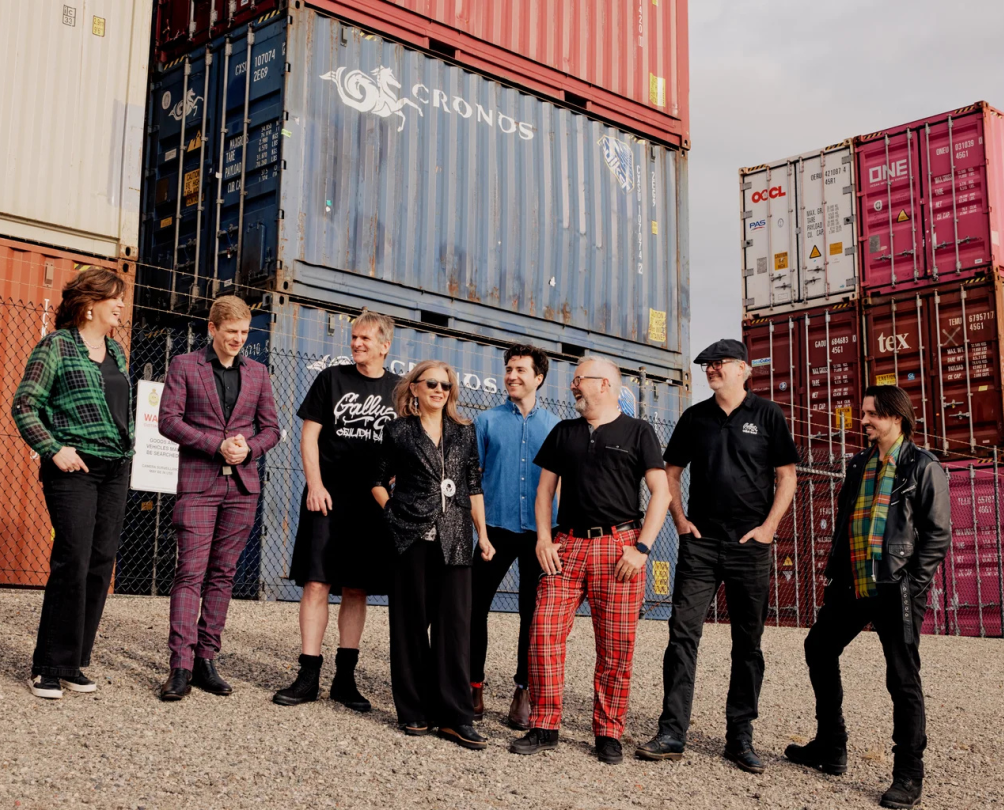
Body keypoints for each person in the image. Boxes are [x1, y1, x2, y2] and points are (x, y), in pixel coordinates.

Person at [785, 386, 949, 810]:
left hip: (898, 588)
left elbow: (936, 535)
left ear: (897, 417)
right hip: (854, 583)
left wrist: (914, 584)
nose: (864, 421)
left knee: (902, 678)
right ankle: (830, 745)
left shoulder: (922, 465)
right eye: (864, 414)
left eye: (872, 414)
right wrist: (832, 573)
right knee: (818, 647)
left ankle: (909, 774)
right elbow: (845, 523)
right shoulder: (858, 464)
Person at [638, 338, 798, 773]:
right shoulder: (695, 417)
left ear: (744, 370)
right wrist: (679, 519)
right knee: (682, 635)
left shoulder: (768, 415)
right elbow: (670, 473)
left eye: (719, 363)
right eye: (707, 364)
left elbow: (787, 477)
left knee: (748, 644)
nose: (710, 368)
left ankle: (739, 737)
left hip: (750, 547)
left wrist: (768, 529)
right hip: (702, 544)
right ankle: (672, 731)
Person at [510, 356, 670, 765]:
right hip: (567, 547)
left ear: (605, 384)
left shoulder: (639, 432)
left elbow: (661, 493)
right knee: (543, 634)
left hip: (620, 547)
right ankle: (544, 726)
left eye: (579, 380)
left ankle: (608, 732)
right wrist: (544, 539)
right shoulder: (564, 433)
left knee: (616, 648)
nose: (573, 387)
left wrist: (643, 549)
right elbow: (544, 491)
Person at [12, 267, 133, 700]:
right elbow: (25, 406)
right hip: (73, 468)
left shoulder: (116, 351)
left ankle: (75, 661)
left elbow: (119, 412)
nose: (121, 305)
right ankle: (48, 665)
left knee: (101, 563)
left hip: (115, 469)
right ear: (89, 304)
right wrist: (54, 448)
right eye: (114, 298)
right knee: (73, 560)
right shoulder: (57, 347)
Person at [273, 311, 400, 711]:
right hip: (327, 497)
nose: (356, 344)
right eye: (354, 338)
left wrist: (393, 487)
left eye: (365, 338)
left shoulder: (400, 391)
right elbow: (309, 437)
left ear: (385, 345)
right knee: (316, 583)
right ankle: (308, 675)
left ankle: (345, 679)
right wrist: (315, 485)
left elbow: (407, 445)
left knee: (357, 588)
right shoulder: (331, 380)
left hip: (373, 504)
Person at [157, 295, 280, 701]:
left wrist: (250, 449)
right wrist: (216, 444)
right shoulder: (184, 365)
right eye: (231, 332)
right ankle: (180, 665)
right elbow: (169, 421)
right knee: (190, 573)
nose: (238, 340)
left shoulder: (259, 373)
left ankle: (207, 659)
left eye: (244, 333)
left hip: (242, 488)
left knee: (223, 575)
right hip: (198, 483)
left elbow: (272, 429)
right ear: (212, 329)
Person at [372, 360, 494, 751]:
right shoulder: (398, 430)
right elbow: (376, 479)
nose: (440, 390)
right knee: (409, 625)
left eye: (446, 385)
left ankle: (456, 717)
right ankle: (413, 710)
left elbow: (473, 485)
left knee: (455, 628)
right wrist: (392, 511)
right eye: (432, 384)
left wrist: (484, 535)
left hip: (456, 536)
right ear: (415, 389)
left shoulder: (464, 431)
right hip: (410, 536)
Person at [470, 344, 560, 730]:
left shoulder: (556, 427)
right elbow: (472, 479)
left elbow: (563, 486)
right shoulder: (486, 422)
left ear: (538, 378)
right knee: (475, 609)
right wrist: (480, 531)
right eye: (508, 369)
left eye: (521, 370)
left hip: (540, 536)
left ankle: (523, 690)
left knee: (532, 616)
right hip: (494, 532)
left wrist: (556, 536)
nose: (512, 376)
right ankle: (473, 684)